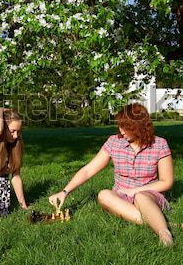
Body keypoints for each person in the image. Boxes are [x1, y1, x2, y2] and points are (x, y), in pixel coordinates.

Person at [49, 103, 176, 247]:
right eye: (120, 126)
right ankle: (158, 221)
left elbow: (167, 181)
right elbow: (88, 170)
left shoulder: (159, 144)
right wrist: (65, 191)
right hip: (120, 196)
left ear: (140, 126)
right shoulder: (114, 142)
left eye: (126, 127)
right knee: (103, 195)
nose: (121, 131)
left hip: (148, 195)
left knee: (141, 196)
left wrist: (134, 191)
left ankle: (164, 234)